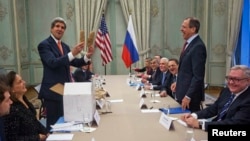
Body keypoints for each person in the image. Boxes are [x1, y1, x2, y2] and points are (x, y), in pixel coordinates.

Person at [37, 17, 94, 131]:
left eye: (63, 27)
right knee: (54, 126)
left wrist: (87, 56)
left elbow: (76, 62)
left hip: (66, 91)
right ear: (51, 29)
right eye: (57, 26)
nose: (60, 29)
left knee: (66, 122)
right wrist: (72, 53)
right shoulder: (44, 45)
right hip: (52, 91)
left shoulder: (65, 46)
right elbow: (52, 63)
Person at [180, 65, 250, 131]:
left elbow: (235, 123)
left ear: (248, 81)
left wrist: (201, 124)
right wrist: (194, 115)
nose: (231, 82)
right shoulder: (227, 90)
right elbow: (214, 108)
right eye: (229, 78)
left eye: (236, 79)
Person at [3, 71, 49, 140]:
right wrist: (37, 137)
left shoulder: (24, 99)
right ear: (12, 89)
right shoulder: (11, 109)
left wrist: (46, 133)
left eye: (22, 80)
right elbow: (13, 139)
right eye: (20, 82)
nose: (24, 82)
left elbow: (34, 121)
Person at [175, 17, 207, 112]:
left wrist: (188, 96)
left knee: (188, 124)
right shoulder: (189, 44)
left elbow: (198, 76)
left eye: (184, 27)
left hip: (191, 97)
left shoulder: (198, 46)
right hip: (184, 92)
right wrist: (178, 84)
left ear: (193, 29)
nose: (181, 29)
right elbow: (186, 71)